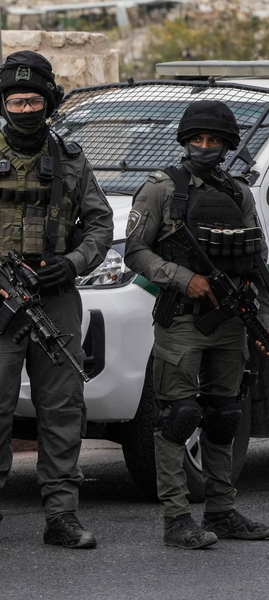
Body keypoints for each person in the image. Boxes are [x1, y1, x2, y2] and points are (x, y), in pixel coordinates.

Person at [0, 50, 113, 550]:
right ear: (2, 102)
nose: (25, 108)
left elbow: (99, 225)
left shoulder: (72, 161)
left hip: (54, 298)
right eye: (16, 99)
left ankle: (62, 515)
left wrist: (71, 264)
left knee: (63, 406)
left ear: (49, 101)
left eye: (33, 100)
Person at [124, 100, 269, 549]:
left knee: (225, 413)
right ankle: (177, 518)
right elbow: (135, 251)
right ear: (185, 141)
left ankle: (222, 510)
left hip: (229, 319)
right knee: (178, 416)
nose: (205, 147)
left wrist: (256, 311)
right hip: (183, 319)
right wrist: (183, 278)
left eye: (214, 141)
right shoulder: (161, 189)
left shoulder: (238, 193)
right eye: (198, 140)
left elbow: (257, 256)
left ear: (227, 145)